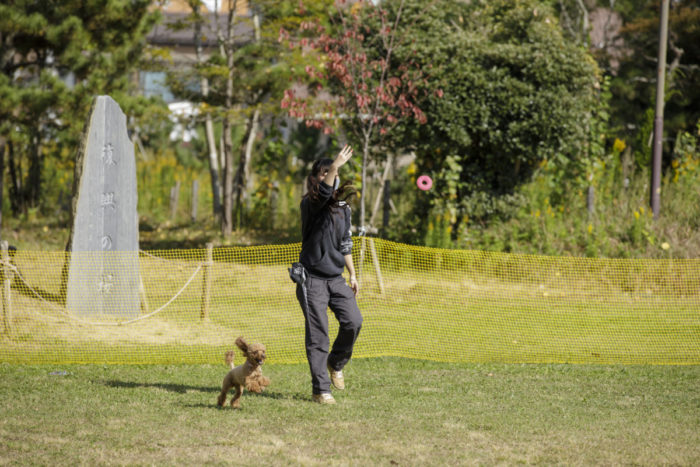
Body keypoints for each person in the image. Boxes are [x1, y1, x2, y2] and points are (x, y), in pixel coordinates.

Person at [295, 144, 363, 405]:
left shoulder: (344, 207)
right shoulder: (309, 203)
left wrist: (353, 274)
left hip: (336, 279)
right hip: (311, 280)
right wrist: (335, 166)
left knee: (353, 322)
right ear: (315, 178)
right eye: (323, 173)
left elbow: (345, 242)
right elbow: (323, 194)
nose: (329, 177)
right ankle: (321, 390)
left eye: (330, 172)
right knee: (318, 335)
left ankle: (336, 363)